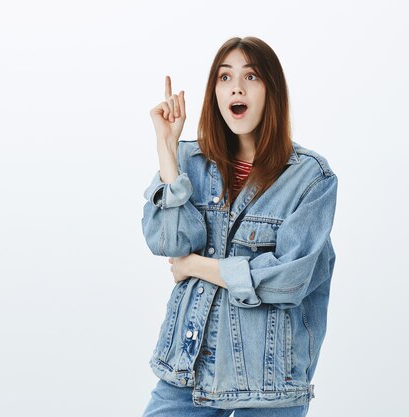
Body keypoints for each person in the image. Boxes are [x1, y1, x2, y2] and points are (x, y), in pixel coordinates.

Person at [140, 36, 338, 417]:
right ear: (214, 91)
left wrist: (195, 267)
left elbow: (288, 280)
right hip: (188, 368)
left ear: (271, 91)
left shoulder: (311, 178)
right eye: (224, 77)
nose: (236, 87)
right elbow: (168, 241)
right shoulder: (188, 159)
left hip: (268, 379)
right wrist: (167, 149)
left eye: (251, 77)